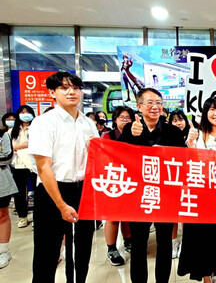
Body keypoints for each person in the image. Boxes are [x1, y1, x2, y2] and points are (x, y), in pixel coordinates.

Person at [28, 71, 97, 283]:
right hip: (52, 192)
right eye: (64, 88)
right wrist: (61, 205)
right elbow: (43, 168)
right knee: (47, 253)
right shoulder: (44, 122)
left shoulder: (88, 124)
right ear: (52, 93)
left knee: (81, 250)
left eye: (76, 88)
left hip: (83, 191)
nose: (71, 92)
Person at [118, 87, 185, 283]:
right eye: (149, 103)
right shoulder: (131, 130)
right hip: (139, 196)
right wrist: (129, 135)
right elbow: (117, 156)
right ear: (139, 107)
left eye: (158, 103)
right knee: (139, 243)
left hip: (166, 195)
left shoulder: (173, 132)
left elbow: (181, 161)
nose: (155, 107)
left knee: (164, 243)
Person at [178, 96, 216, 283]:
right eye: (212, 109)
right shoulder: (195, 136)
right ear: (205, 113)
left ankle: (213, 273)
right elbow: (187, 166)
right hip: (199, 197)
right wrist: (189, 146)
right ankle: (205, 276)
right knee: (200, 239)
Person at [101, 106, 135, 266]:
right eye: (122, 117)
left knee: (128, 214)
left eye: (128, 118)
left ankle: (128, 241)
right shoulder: (107, 136)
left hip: (132, 181)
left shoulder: (136, 135)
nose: (126, 121)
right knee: (113, 217)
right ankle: (111, 249)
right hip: (113, 180)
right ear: (115, 119)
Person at [9, 105, 37, 228]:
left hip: (34, 164)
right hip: (18, 165)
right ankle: (22, 216)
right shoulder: (12, 131)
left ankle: (37, 217)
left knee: (38, 191)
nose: (25, 114)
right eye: (22, 112)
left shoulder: (36, 128)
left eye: (27, 112)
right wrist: (21, 146)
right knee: (20, 193)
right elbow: (8, 147)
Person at [169, 109, 191, 258]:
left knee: (186, 214)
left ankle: (185, 243)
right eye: (174, 120)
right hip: (171, 180)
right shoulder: (166, 135)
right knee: (172, 214)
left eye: (180, 119)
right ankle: (173, 242)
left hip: (190, 180)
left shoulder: (194, 135)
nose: (178, 123)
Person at [0, 123, 17, 268]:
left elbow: (7, 157)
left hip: (1, 179)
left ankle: (3, 250)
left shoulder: (3, 134)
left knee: (2, 214)